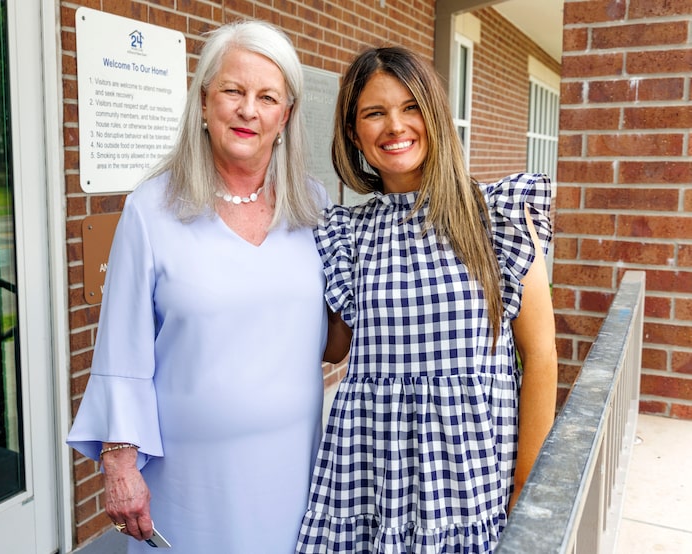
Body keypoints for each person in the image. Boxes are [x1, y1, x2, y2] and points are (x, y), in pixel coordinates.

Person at [67, 20, 333, 553]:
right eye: (233, 90)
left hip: (291, 470)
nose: (248, 110)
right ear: (205, 102)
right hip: (188, 480)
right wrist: (119, 461)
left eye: (267, 97)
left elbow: (338, 331)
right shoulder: (153, 208)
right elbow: (122, 347)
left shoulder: (314, 206)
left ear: (285, 117)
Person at [296, 46, 558, 553]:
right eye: (374, 113)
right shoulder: (346, 235)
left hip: (474, 478)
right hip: (371, 479)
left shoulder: (497, 217)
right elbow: (332, 348)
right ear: (355, 134)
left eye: (410, 106)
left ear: (434, 114)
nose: (395, 126)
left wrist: (527, 484)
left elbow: (542, 357)